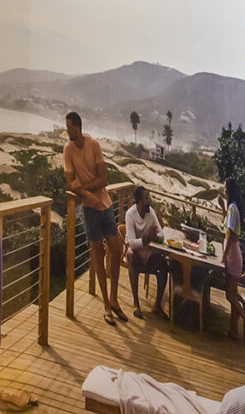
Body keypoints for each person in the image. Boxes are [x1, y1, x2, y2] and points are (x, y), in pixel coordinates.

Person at [63, 111, 127, 325]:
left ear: (78, 128)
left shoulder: (94, 145)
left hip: (106, 204)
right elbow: (69, 182)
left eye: (70, 127)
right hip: (89, 209)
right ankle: (106, 307)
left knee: (116, 251)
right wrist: (88, 195)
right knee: (98, 254)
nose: (68, 131)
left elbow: (104, 179)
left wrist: (84, 188)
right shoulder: (68, 149)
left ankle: (114, 299)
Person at [124, 186, 169, 319]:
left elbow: (161, 235)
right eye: (146, 198)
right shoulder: (130, 214)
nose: (149, 201)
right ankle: (136, 304)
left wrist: (155, 237)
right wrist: (147, 238)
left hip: (149, 250)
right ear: (138, 201)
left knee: (164, 266)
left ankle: (157, 306)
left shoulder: (151, 213)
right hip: (136, 251)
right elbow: (132, 242)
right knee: (132, 256)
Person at [220, 180, 245, 339]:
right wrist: (223, 207)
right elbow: (228, 226)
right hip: (234, 253)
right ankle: (234, 330)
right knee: (233, 294)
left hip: (233, 255)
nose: (223, 191)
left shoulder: (233, 208)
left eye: (224, 188)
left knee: (230, 295)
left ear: (228, 190)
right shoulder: (233, 207)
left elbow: (230, 233)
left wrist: (224, 255)